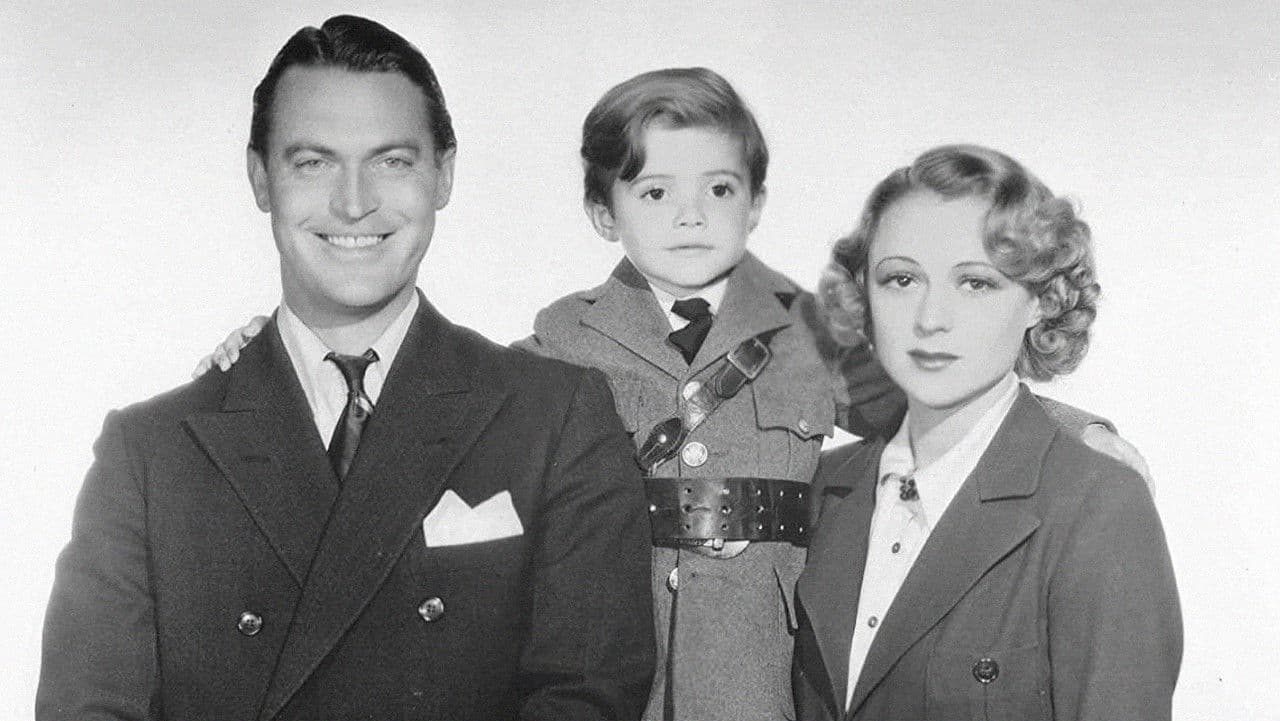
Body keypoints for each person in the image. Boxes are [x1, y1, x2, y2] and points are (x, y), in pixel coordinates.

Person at [195, 70, 1149, 720]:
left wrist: (1075, 429)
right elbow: (431, 407)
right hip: (615, 662)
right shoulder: (560, 342)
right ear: (602, 210)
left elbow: (946, 400)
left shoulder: (816, 330)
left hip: (763, 672)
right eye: (654, 193)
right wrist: (278, 359)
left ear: (756, 202)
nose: (690, 216)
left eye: (719, 190)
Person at [38, 15, 654, 721]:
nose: (354, 202)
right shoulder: (149, 454)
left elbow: (588, 695)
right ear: (260, 178)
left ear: (444, 174)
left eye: (391, 161)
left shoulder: (556, 418)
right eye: (314, 162)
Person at [793, 145, 1181, 721]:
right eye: (901, 279)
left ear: (1043, 300)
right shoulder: (826, 487)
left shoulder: (1098, 504)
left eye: (975, 283)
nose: (930, 319)